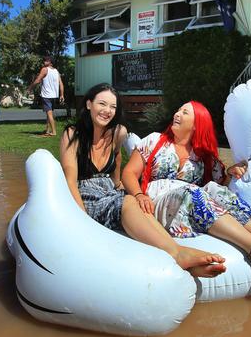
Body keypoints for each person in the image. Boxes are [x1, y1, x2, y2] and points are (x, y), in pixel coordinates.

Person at [122, 101, 251, 273]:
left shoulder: (203, 156)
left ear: (197, 125)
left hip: (188, 204)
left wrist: (230, 173)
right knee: (192, 191)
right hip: (157, 203)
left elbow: (218, 189)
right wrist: (139, 194)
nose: (177, 114)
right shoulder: (155, 140)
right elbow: (129, 173)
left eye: (184, 112)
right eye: (178, 109)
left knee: (216, 190)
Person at [59, 83, 226, 278]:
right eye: (102, 104)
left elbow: (116, 174)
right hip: (86, 195)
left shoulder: (117, 134)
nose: (107, 111)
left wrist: (134, 194)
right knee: (129, 200)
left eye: (113, 107)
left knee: (139, 204)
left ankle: (176, 251)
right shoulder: (73, 134)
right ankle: (177, 253)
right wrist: (82, 221)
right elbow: (70, 179)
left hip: (109, 193)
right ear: (89, 104)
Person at [28, 56, 64, 137]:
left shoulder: (44, 69)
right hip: (54, 96)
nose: (44, 61)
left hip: (47, 95)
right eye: (44, 60)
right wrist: (61, 95)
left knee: (49, 114)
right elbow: (61, 83)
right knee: (49, 114)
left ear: (51, 62)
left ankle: (54, 132)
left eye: (46, 60)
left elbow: (38, 80)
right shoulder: (56, 71)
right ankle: (47, 130)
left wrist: (30, 88)